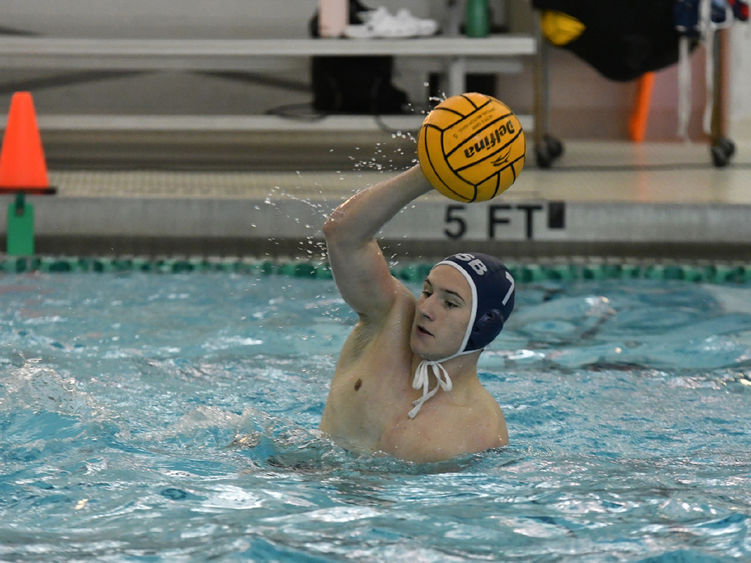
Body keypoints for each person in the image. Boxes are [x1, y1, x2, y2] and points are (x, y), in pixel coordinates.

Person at [320, 164, 516, 463]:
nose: (424, 309)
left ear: (483, 327)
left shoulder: (480, 432)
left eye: (450, 303)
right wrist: (429, 173)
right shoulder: (389, 318)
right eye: (427, 291)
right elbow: (343, 232)